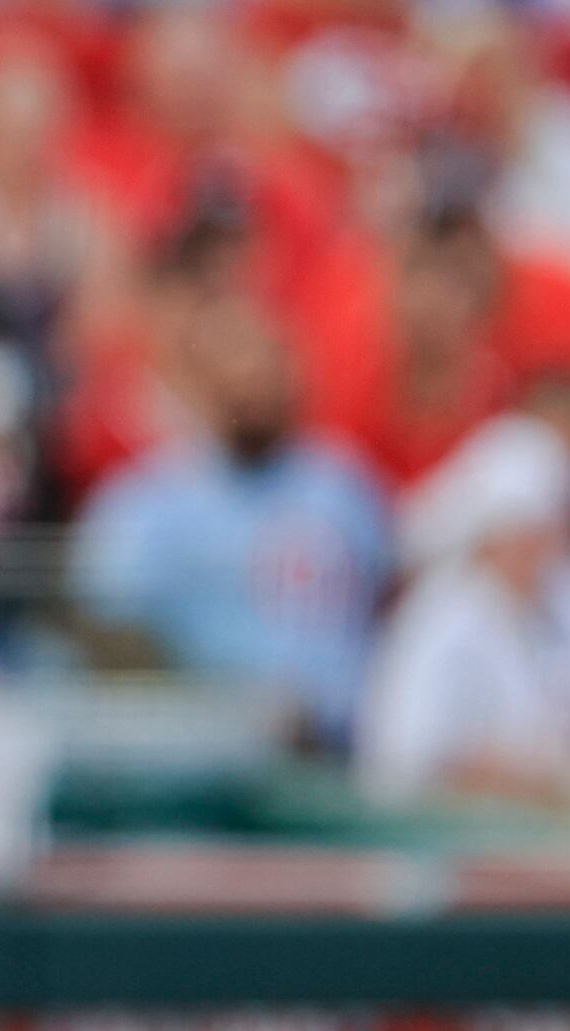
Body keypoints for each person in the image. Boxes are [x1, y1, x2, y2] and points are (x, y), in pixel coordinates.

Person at [71, 291, 393, 748]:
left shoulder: (342, 486)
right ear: (191, 383)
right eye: (231, 364)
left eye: (263, 362)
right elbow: (106, 634)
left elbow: (382, 599)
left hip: (341, 751)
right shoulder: (144, 508)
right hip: (207, 760)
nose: (250, 379)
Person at [358, 412, 570, 819]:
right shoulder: (441, 619)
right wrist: (530, 782)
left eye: (547, 530)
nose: (538, 548)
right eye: (524, 532)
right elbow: (404, 765)